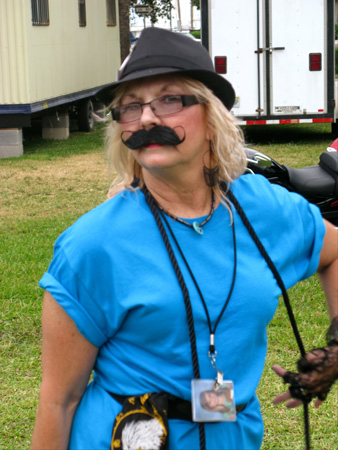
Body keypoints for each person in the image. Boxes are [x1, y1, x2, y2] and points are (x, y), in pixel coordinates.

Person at [31, 27, 338, 450]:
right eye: (131, 107)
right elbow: (59, 401)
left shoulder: (265, 211)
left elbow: (334, 252)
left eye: (170, 99)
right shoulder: (93, 244)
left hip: (232, 433)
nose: (148, 118)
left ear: (212, 119)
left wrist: (337, 347)